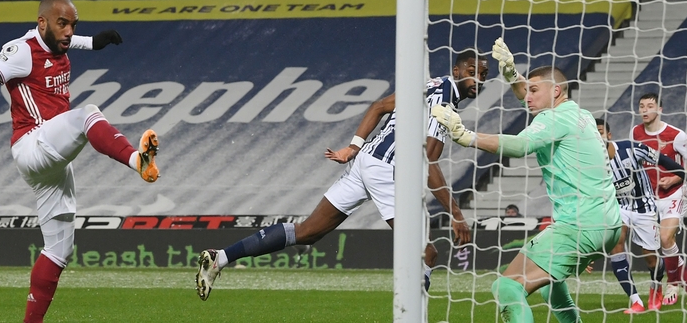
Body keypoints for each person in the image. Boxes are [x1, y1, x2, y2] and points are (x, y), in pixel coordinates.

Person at [0, 0, 161, 323]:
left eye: (73, 25)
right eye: (62, 24)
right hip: (33, 144)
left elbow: (71, 41)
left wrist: (95, 42)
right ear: (42, 23)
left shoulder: (58, 42)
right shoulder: (22, 51)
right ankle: (138, 160)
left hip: (51, 161)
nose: (69, 32)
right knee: (88, 115)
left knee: (59, 251)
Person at [194, 48, 490, 301]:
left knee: (308, 231)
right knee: (426, 254)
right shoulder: (443, 104)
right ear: (457, 69)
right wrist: (456, 213)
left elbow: (379, 106)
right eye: (473, 71)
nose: (479, 78)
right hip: (385, 169)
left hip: (365, 162)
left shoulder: (429, 84)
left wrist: (353, 147)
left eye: (485, 74)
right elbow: (427, 160)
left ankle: (219, 257)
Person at [430, 38, 621, 322]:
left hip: (580, 225)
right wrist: (512, 76)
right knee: (550, 287)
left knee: (507, 286)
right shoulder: (580, 115)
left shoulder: (552, 119)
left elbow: (519, 146)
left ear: (555, 92)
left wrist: (465, 136)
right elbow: (532, 92)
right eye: (526, 90)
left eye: (534, 91)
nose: (527, 97)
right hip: (609, 223)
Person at [595, 118, 687, 312]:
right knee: (617, 242)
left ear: (609, 135)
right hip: (620, 207)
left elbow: (663, 160)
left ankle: (656, 287)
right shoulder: (591, 164)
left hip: (645, 207)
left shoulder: (630, 148)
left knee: (651, 259)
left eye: (599, 131)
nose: (596, 136)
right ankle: (636, 301)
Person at [631, 92, 687, 306]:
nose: (644, 110)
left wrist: (675, 178)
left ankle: (674, 284)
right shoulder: (635, 132)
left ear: (659, 109)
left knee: (666, 239)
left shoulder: (675, 134)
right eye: (641, 106)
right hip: (649, 196)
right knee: (662, 244)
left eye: (649, 106)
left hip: (673, 192)